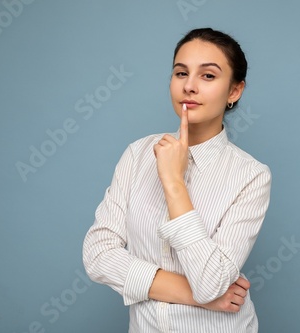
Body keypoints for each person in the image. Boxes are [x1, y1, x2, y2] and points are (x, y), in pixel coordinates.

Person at [83, 27, 271, 332]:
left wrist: (173, 181)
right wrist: (197, 296)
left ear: (234, 91)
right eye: (181, 73)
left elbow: (211, 282)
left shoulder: (251, 176)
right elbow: (98, 256)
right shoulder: (137, 154)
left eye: (208, 76)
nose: (190, 87)